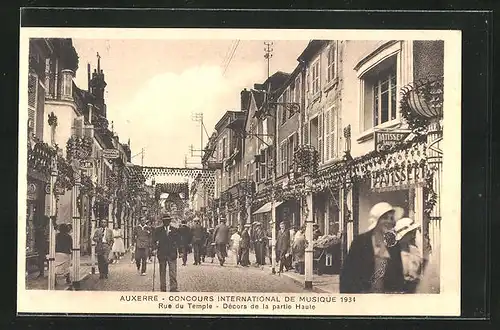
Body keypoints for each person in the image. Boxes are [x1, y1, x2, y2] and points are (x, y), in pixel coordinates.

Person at [339, 202, 405, 293]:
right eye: (385, 218)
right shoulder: (360, 242)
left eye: (391, 218)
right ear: (376, 221)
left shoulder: (394, 244)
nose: (389, 221)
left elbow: (398, 275)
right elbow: (347, 274)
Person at [395, 217, 425, 293]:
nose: (413, 235)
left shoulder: (416, 250)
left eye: (413, 232)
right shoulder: (394, 253)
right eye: (410, 232)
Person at [153, 214, 179, 292]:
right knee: (162, 272)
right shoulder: (158, 230)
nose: (166, 222)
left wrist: (180, 251)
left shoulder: (174, 229)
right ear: (163, 221)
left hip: (172, 254)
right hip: (162, 254)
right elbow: (154, 240)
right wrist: (154, 249)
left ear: (170, 221)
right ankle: (163, 288)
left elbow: (178, 241)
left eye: (168, 220)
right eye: (165, 221)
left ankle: (173, 287)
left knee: (173, 272)